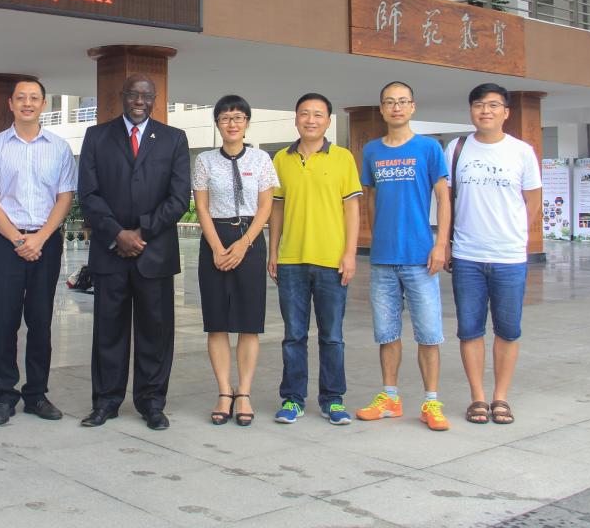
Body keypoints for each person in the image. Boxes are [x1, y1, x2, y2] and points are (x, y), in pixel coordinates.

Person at [77, 74, 190, 430]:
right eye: (133, 94)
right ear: (122, 96)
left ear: (155, 99)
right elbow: (88, 194)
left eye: (146, 95)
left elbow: (179, 197)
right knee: (108, 332)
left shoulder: (174, 139)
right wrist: (117, 234)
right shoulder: (97, 136)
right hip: (110, 253)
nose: (139, 101)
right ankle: (105, 402)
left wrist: (142, 231)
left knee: (155, 333)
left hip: (154, 254)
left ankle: (152, 403)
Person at [0, 78, 77, 426]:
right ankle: (4, 394)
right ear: (11, 104)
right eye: (21, 98)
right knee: (6, 321)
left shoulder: (59, 148)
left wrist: (40, 238)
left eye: (34, 98)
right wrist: (18, 240)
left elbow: (65, 197)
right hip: (7, 243)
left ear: (44, 104)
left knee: (40, 321)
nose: (27, 103)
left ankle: (36, 394)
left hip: (46, 243)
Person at [356, 81, 452, 431]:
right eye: (389, 102)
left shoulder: (429, 148)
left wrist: (440, 244)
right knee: (386, 333)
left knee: (429, 334)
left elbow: (443, 197)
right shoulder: (371, 151)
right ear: (382, 109)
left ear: (413, 107)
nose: (396, 107)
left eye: (402, 101)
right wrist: (375, 237)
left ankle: (431, 402)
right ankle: (390, 398)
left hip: (420, 256)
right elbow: (370, 198)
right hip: (383, 259)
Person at [444, 82, 541, 425]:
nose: (485, 110)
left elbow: (533, 200)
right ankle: (478, 397)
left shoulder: (522, 151)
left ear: (506, 112)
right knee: (469, 329)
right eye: (479, 105)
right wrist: (444, 243)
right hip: (467, 255)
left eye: (493, 105)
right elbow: (445, 200)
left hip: (509, 257)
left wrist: (516, 235)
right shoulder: (456, 149)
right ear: (471, 110)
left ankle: (501, 397)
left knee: (508, 330)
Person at [269, 92, 362, 426]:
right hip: (291, 260)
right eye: (305, 113)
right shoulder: (281, 159)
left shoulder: (343, 158)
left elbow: (352, 210)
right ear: (296, 118)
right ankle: (292, 399)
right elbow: (276, 209)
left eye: (318, 114)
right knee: (293, 335)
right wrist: (273, 252)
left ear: (328, 121)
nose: (311, 120)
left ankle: (332, 399)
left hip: (331, 261)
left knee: (332, 335)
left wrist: (350, 254)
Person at [192, 95, 278, 427]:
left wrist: (244, 244)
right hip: (215, 238)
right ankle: (224, 392)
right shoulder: (204, 160)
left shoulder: (261, 158)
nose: (232, 123)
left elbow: (266, 207)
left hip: (250, 240)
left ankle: (243, 393)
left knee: (248, 322)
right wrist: (217, 247)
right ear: (217, 123)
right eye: (226, 118)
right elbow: (201, 207)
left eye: (238, 117)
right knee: (216, 322)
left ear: (247, 123)